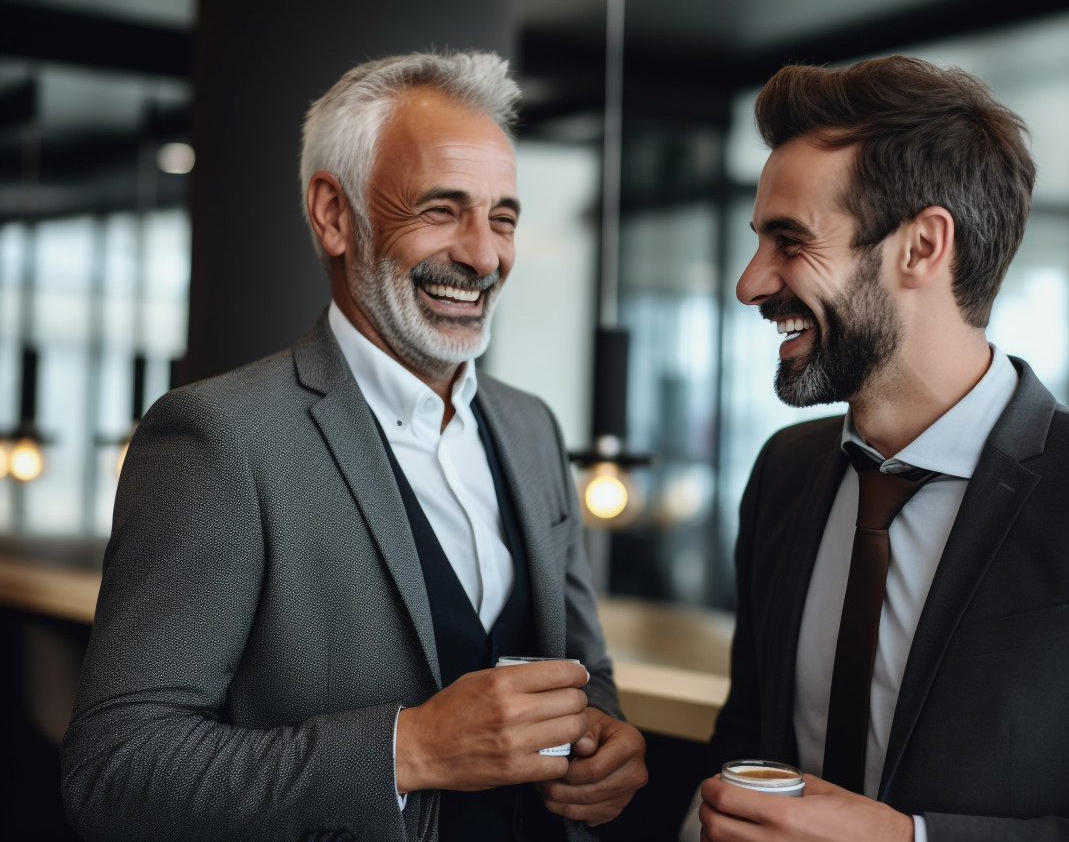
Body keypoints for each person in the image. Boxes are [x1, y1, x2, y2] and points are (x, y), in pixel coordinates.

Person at [61, 51, 646, 842]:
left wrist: (604, 737)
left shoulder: (532, 428)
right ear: (334, 215)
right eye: (443, 210)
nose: (483, 255)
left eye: (502, 217)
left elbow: (584, 670)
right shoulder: (217, 436)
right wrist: (407, 750)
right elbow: (115, 768)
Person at [695, 56, 1069, 841]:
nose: (750, 282)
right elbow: (750, 747)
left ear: (923, 245)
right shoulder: (785, 472)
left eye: (789, 240)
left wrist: (910, 840)